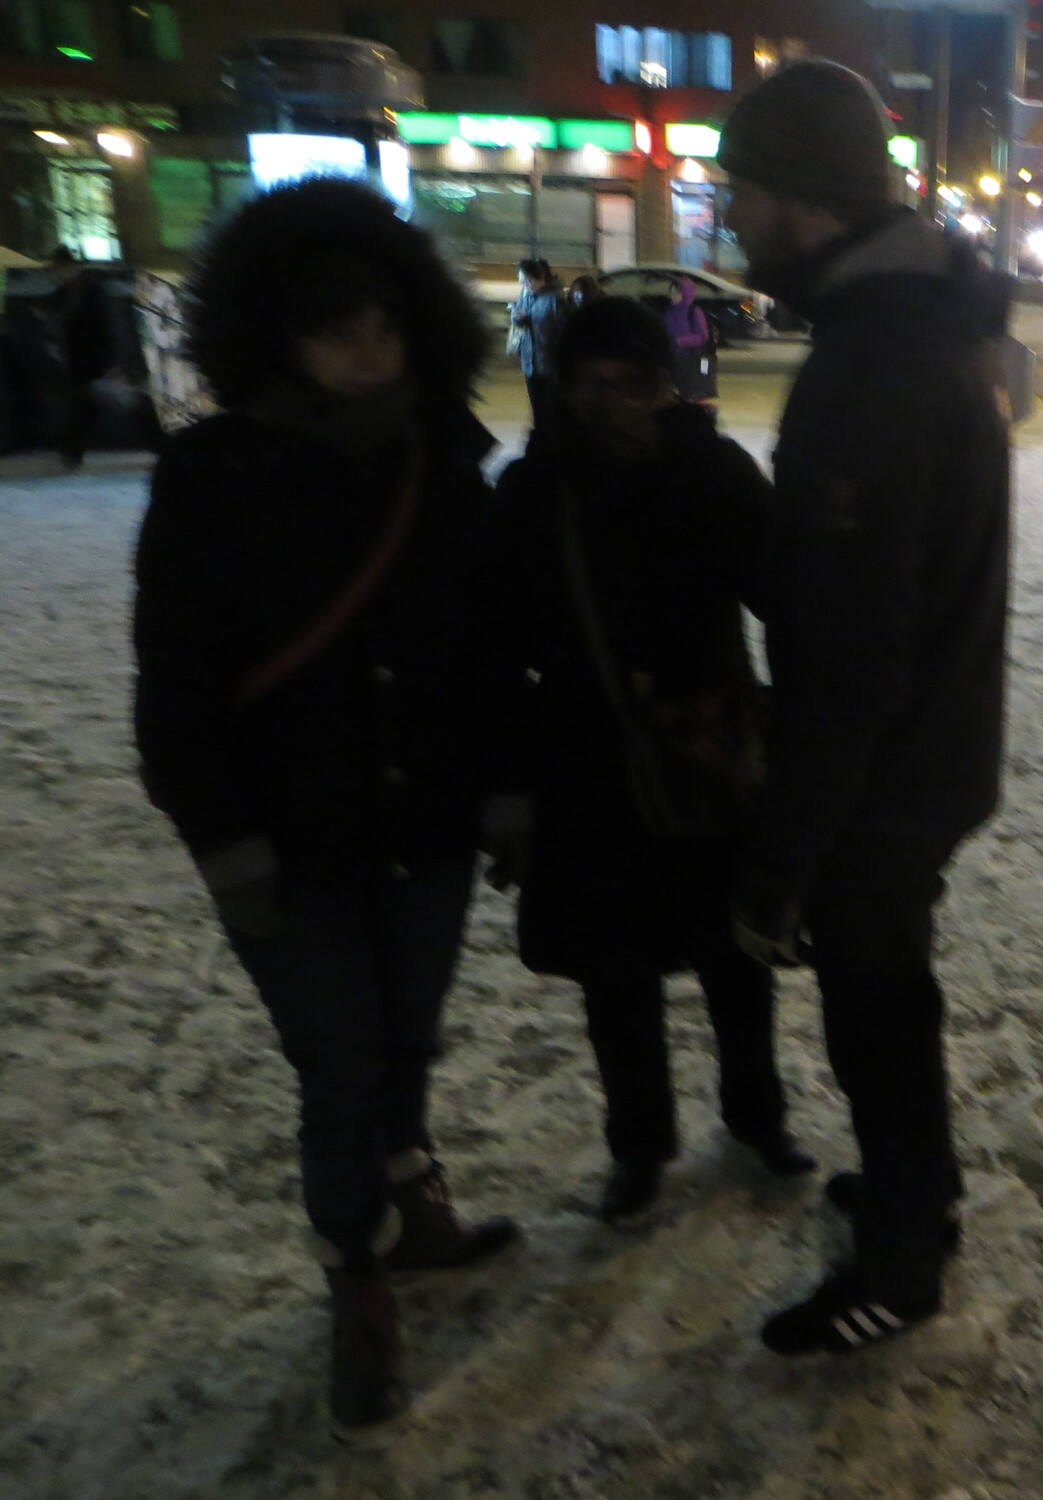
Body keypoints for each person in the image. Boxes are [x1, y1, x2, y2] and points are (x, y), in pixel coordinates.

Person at [132, 179, 522, 1428]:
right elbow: (178, 680)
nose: (369, 352)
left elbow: (489, 649)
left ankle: (411, 1199)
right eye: (338, 331)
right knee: (339, 1067)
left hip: (427, 825)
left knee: (406, 1038)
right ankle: (354, 1272)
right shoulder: (214, 476)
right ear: (279, 339)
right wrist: (224, 841)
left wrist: (508, 786)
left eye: (385, 328)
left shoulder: (442, 462)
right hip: (290, 844)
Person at [718, 58, 1011, 1356]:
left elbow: (847, 651)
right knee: (891, 1000)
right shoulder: (917, 326)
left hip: (880, 775)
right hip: (928, 750)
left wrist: (782, 858)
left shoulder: (874, 362)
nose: (732, 218)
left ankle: (901, 1260)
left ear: (808, 201)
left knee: (876, 1015)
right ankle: (914, 1193)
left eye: (744, 192)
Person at [494, 297, 812, 1221]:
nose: (616, 402)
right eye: (594, 383)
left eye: (635, 382)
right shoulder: (534, 489)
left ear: (666, 385)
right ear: (565, 388)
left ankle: (757, 1118)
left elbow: (782, 595)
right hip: (588, 763)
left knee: (736, 958)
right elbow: (499, 645)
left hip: (710, 750)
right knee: (616, 974)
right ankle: (638, 1148)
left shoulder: (711, 470)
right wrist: (511, 782)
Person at [46, 246, 116, 469]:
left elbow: (102, 327)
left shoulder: (87, 291)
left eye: (59, 268)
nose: (57, 273)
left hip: (91, 358)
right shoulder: (71, 292)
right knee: (85, 406)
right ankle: (71, 453)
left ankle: (71, 453)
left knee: (85, 407)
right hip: (81, 360)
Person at [512, 257, 567, 429]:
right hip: (530, 363)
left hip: (549, 365)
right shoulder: (526, 295)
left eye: (526, 280)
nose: (524, 285)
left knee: (549, 412)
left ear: (537, 278)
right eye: (522, 281)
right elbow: (519, 318)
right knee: (537, 411)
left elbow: (563, 332)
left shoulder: (555, 299)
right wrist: (517, 317)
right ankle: (540, 438)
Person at [661, 274, 716, 405]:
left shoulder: (694, 312)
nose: (672, 295)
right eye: (671, 292)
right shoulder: (670, 312)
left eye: (676, 292)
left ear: (685, 294)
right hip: (674, 360)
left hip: (691, 360)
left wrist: (680, 341)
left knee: (693, 395)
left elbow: (703, 337)